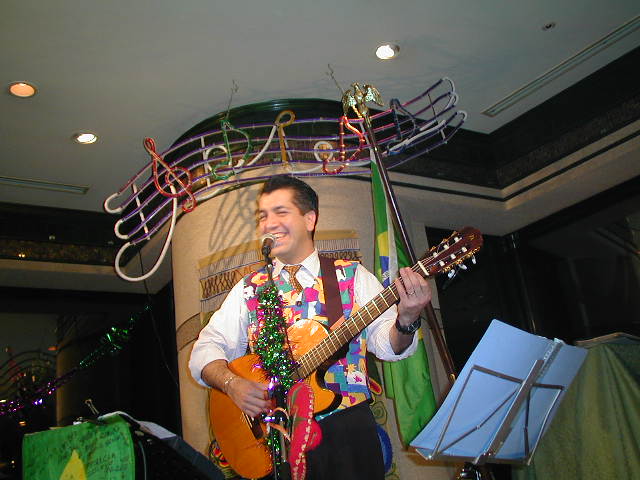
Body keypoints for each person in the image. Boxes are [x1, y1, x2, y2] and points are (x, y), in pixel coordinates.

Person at [189, 175, 431, 480]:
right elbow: (205, 349)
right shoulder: (248, 288)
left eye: (280, 212)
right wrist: (231, 383)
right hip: (276, 440)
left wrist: (407, 319)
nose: (269, 224)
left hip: (346, 434)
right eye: (263, 216)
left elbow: (387, 344)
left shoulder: (352, 276)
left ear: (310, 219)